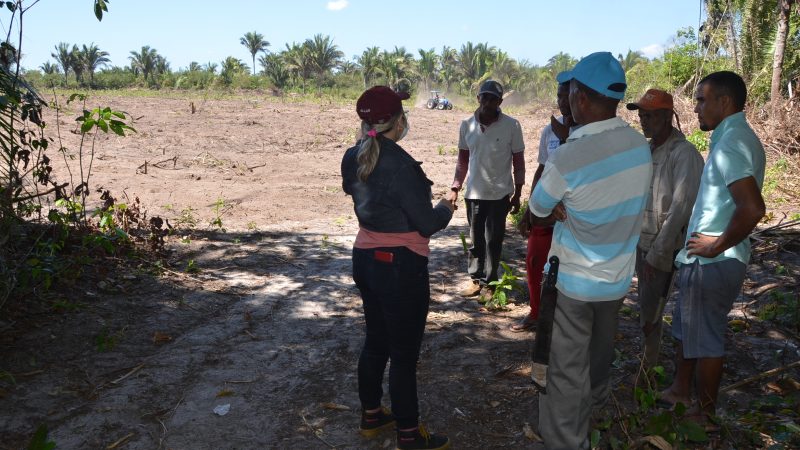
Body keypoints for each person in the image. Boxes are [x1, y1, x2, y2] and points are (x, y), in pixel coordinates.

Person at [528, 52, 652, 449]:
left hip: (574, 286)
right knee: (596, 362)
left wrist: (561, 206)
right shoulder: (639, 145)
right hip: (615, 283)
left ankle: (569, 440)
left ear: (580, 97)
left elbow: (537, 209)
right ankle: (592, 415)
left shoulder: (569, 155)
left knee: (565, 371)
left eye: (571, 91)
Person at [341, 86, 454, 450]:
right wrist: (447, 206)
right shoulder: (403, 166)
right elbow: (426, 224)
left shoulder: (351, 157)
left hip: (366, 260)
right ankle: (409, 434)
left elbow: (356, 191)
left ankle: (371, 416)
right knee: (404, 355)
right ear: (399, 121)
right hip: (400, 267)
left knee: (376, 341)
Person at [660, 71, 765, 429]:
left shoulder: (732, 144)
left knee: (706, 337)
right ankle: (679, 390)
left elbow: (751, 208)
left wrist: (715, 244)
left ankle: (705, 414)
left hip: (714, 261)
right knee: (691, 328)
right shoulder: (731, 139)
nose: (696, 107)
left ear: (725, 101)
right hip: (706, 259)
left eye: (702, 99)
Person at [625, 89, 704, 368]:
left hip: (663, 248)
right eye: (642, 116)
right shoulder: (647, 151)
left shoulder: (683, 154)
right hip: (641, 242)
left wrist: (658, 255)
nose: (644, 121)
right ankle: (648, 363)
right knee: (646, 306)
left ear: (667, 116)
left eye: (650, 116)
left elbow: (681, 209)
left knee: (653, 309)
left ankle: (649, 368)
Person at [446, 79, 526, 298]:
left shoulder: (512, 125)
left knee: (493, 240)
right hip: (473, 193)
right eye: (484, 97)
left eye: (493, 98)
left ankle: (490, 284)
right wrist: (455, 187)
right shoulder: (466, 125)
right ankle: (475, 280)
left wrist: (518, 193)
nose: (488, 102)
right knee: (476, 239)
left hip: (500, 194)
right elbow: (463, 159)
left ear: (500, 102)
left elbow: (518, 162)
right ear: (478, 98)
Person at [512, 81, 576, 332]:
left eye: (567, 96)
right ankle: (537, 312)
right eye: (559, 96)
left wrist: (568, 137)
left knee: (567, 267)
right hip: (546, 209)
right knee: (535, 261)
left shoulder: (588, 131)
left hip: (572, 211)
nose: (562, 101)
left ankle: (563, 320)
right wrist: (530, 207)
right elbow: (541, 168)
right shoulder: (549, 131)